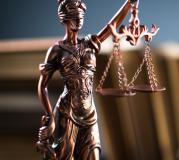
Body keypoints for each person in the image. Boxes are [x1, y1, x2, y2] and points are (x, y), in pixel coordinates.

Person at [36, 0, 137, 159]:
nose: (78, 21)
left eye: (81, 17)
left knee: (93, 155)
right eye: (75, 17)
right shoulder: (56, 50)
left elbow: (112, 25)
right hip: (67, 112)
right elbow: (43, 86)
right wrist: (50, 117)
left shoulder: (90, 43)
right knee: (64, 156)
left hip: (89, 113)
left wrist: (129, 4)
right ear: (65, 18)